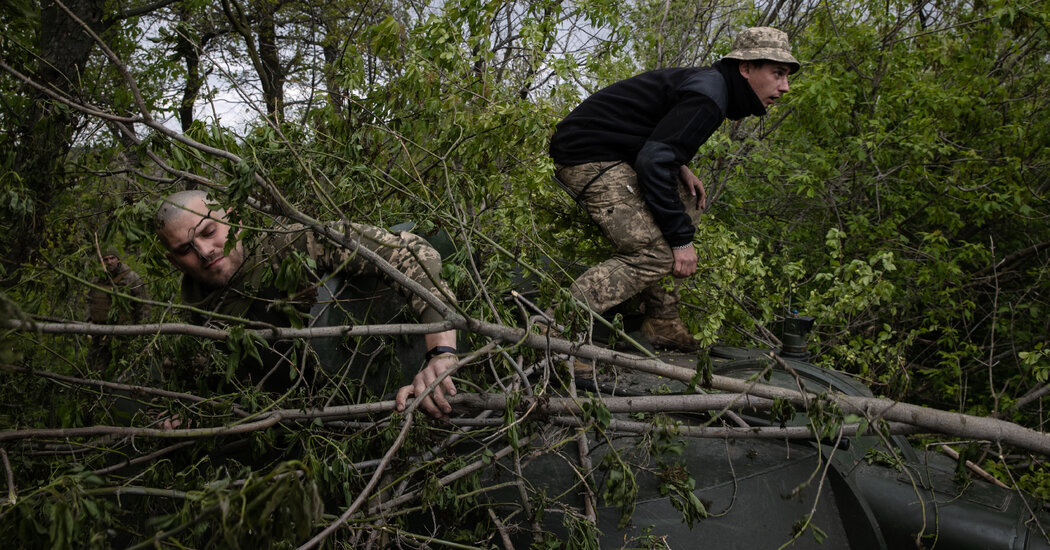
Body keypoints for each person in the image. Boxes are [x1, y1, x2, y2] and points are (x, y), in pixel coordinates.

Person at [548, 26, 799, 351]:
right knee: (656, 254)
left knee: (687, 198)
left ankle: (662, 321)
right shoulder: (710, 95)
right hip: (585, 156)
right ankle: (553, 331)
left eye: (787, 76)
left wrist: (679, 164)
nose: (785, 86)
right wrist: (680, 243)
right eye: (778, 73)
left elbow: (654, 138)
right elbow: (653, 161)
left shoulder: (713, 87)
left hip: (610, 150)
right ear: (746, 68)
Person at [154, 190, 459, 418]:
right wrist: (182, 413)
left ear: (235, 219)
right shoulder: (190, 317)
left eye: (209, 232)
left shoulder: (291, 248)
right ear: (174, 261)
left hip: (377, 391)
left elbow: (408, 251)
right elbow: (188, 385)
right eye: (186, 249)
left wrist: (441, 355)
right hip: (300, 422)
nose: (205, 251)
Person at [86, 247, 150, 370]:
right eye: (105, 259)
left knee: (125, 365)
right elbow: (89, 300)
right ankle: (97, 387)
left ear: (118, 259)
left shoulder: (131, 277)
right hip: (100, 331)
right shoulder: (96, 279)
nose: (109, 262)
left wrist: (141, 329)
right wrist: (88, 319)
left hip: (124, 331)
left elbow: (144, 305)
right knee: (95, 367)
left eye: (112, 258)